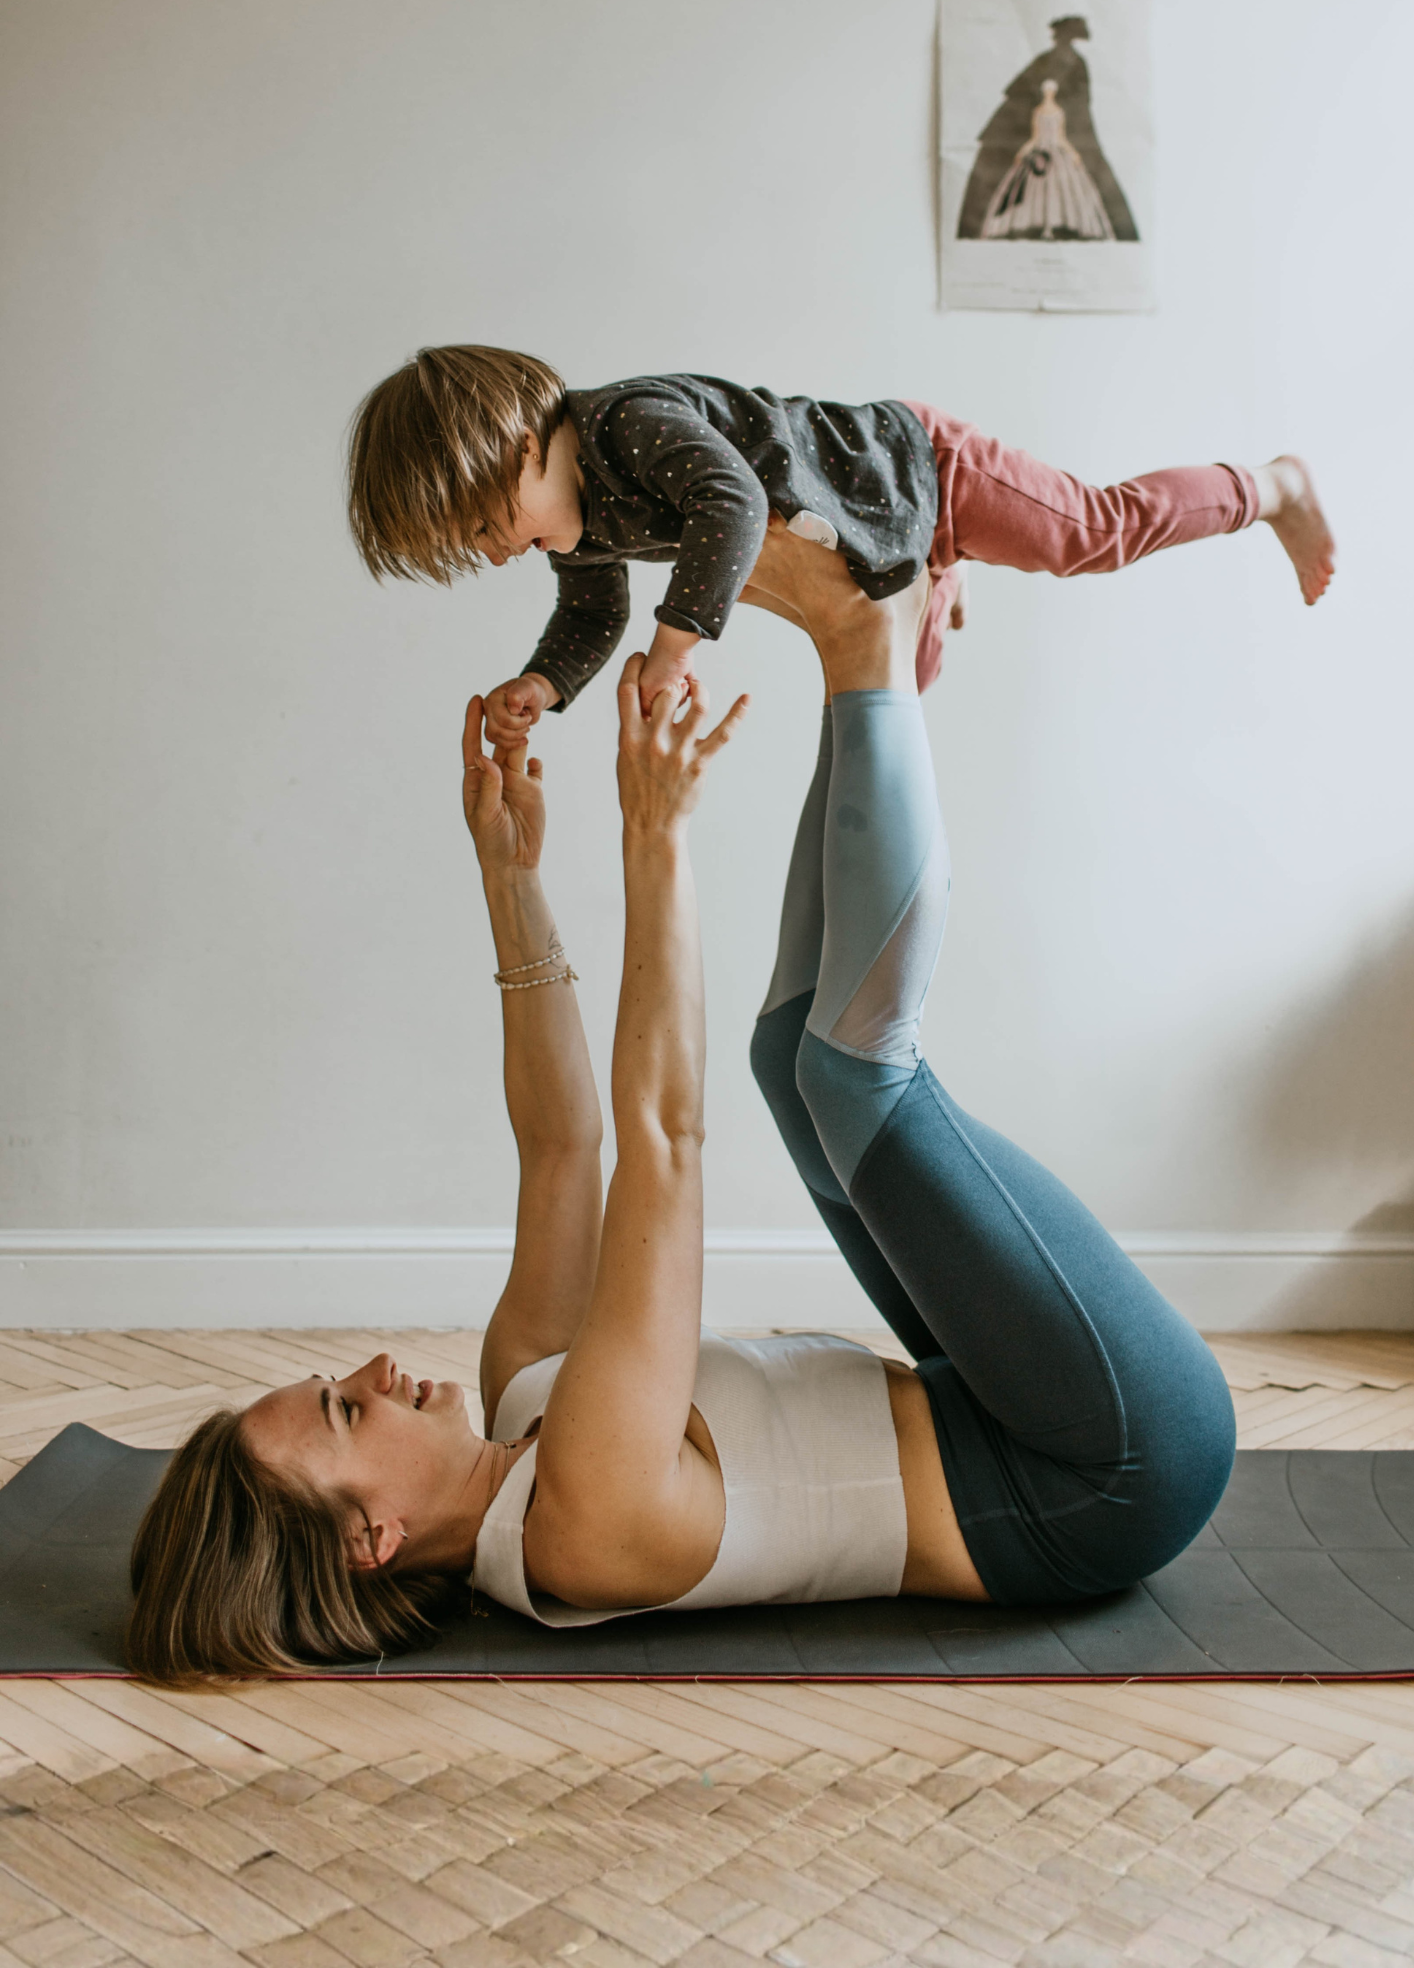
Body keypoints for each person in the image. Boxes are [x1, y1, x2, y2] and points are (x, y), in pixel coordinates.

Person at [127, 537, 1236, 1684]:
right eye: (345, 1413)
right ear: (372, 1542)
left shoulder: (524, 1393)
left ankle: (869, 673)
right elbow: (663, 1141)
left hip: (992, 1410)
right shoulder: (582, 1523)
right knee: (858, 1079)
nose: (367, 1368)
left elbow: (563, 1144)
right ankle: (870, 652)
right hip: (1107, 1471)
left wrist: (511, 880)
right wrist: (654, 835)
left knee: (785, 1058)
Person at [345, 346, 1335, 738]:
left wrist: (675, 645)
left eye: (482, 524)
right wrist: (544, 685)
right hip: (875, 539)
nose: (488, 551)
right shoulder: (580, 524)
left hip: (919, 467)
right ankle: (936, 574)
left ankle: (1269, 487)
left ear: (524, 451)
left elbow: (728, 500)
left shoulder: (623, 425)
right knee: (901, 698)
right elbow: (590, 605)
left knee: (1088, 534)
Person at [981, 79, 1115, 242]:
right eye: (1046, 91)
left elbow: (1061, 137)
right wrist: (1023, 151)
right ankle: (1045, 228)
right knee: (1035, 190)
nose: (1048, 93)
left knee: (1056, 190)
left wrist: (1072, 153)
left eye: (1050, 91)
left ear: (1054, 92)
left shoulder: (1059, 112)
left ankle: (1050, 228)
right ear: (1044, 92)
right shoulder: (1038, 111)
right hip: (1040, 155)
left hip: (1056, 154)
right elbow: (1035, 137)